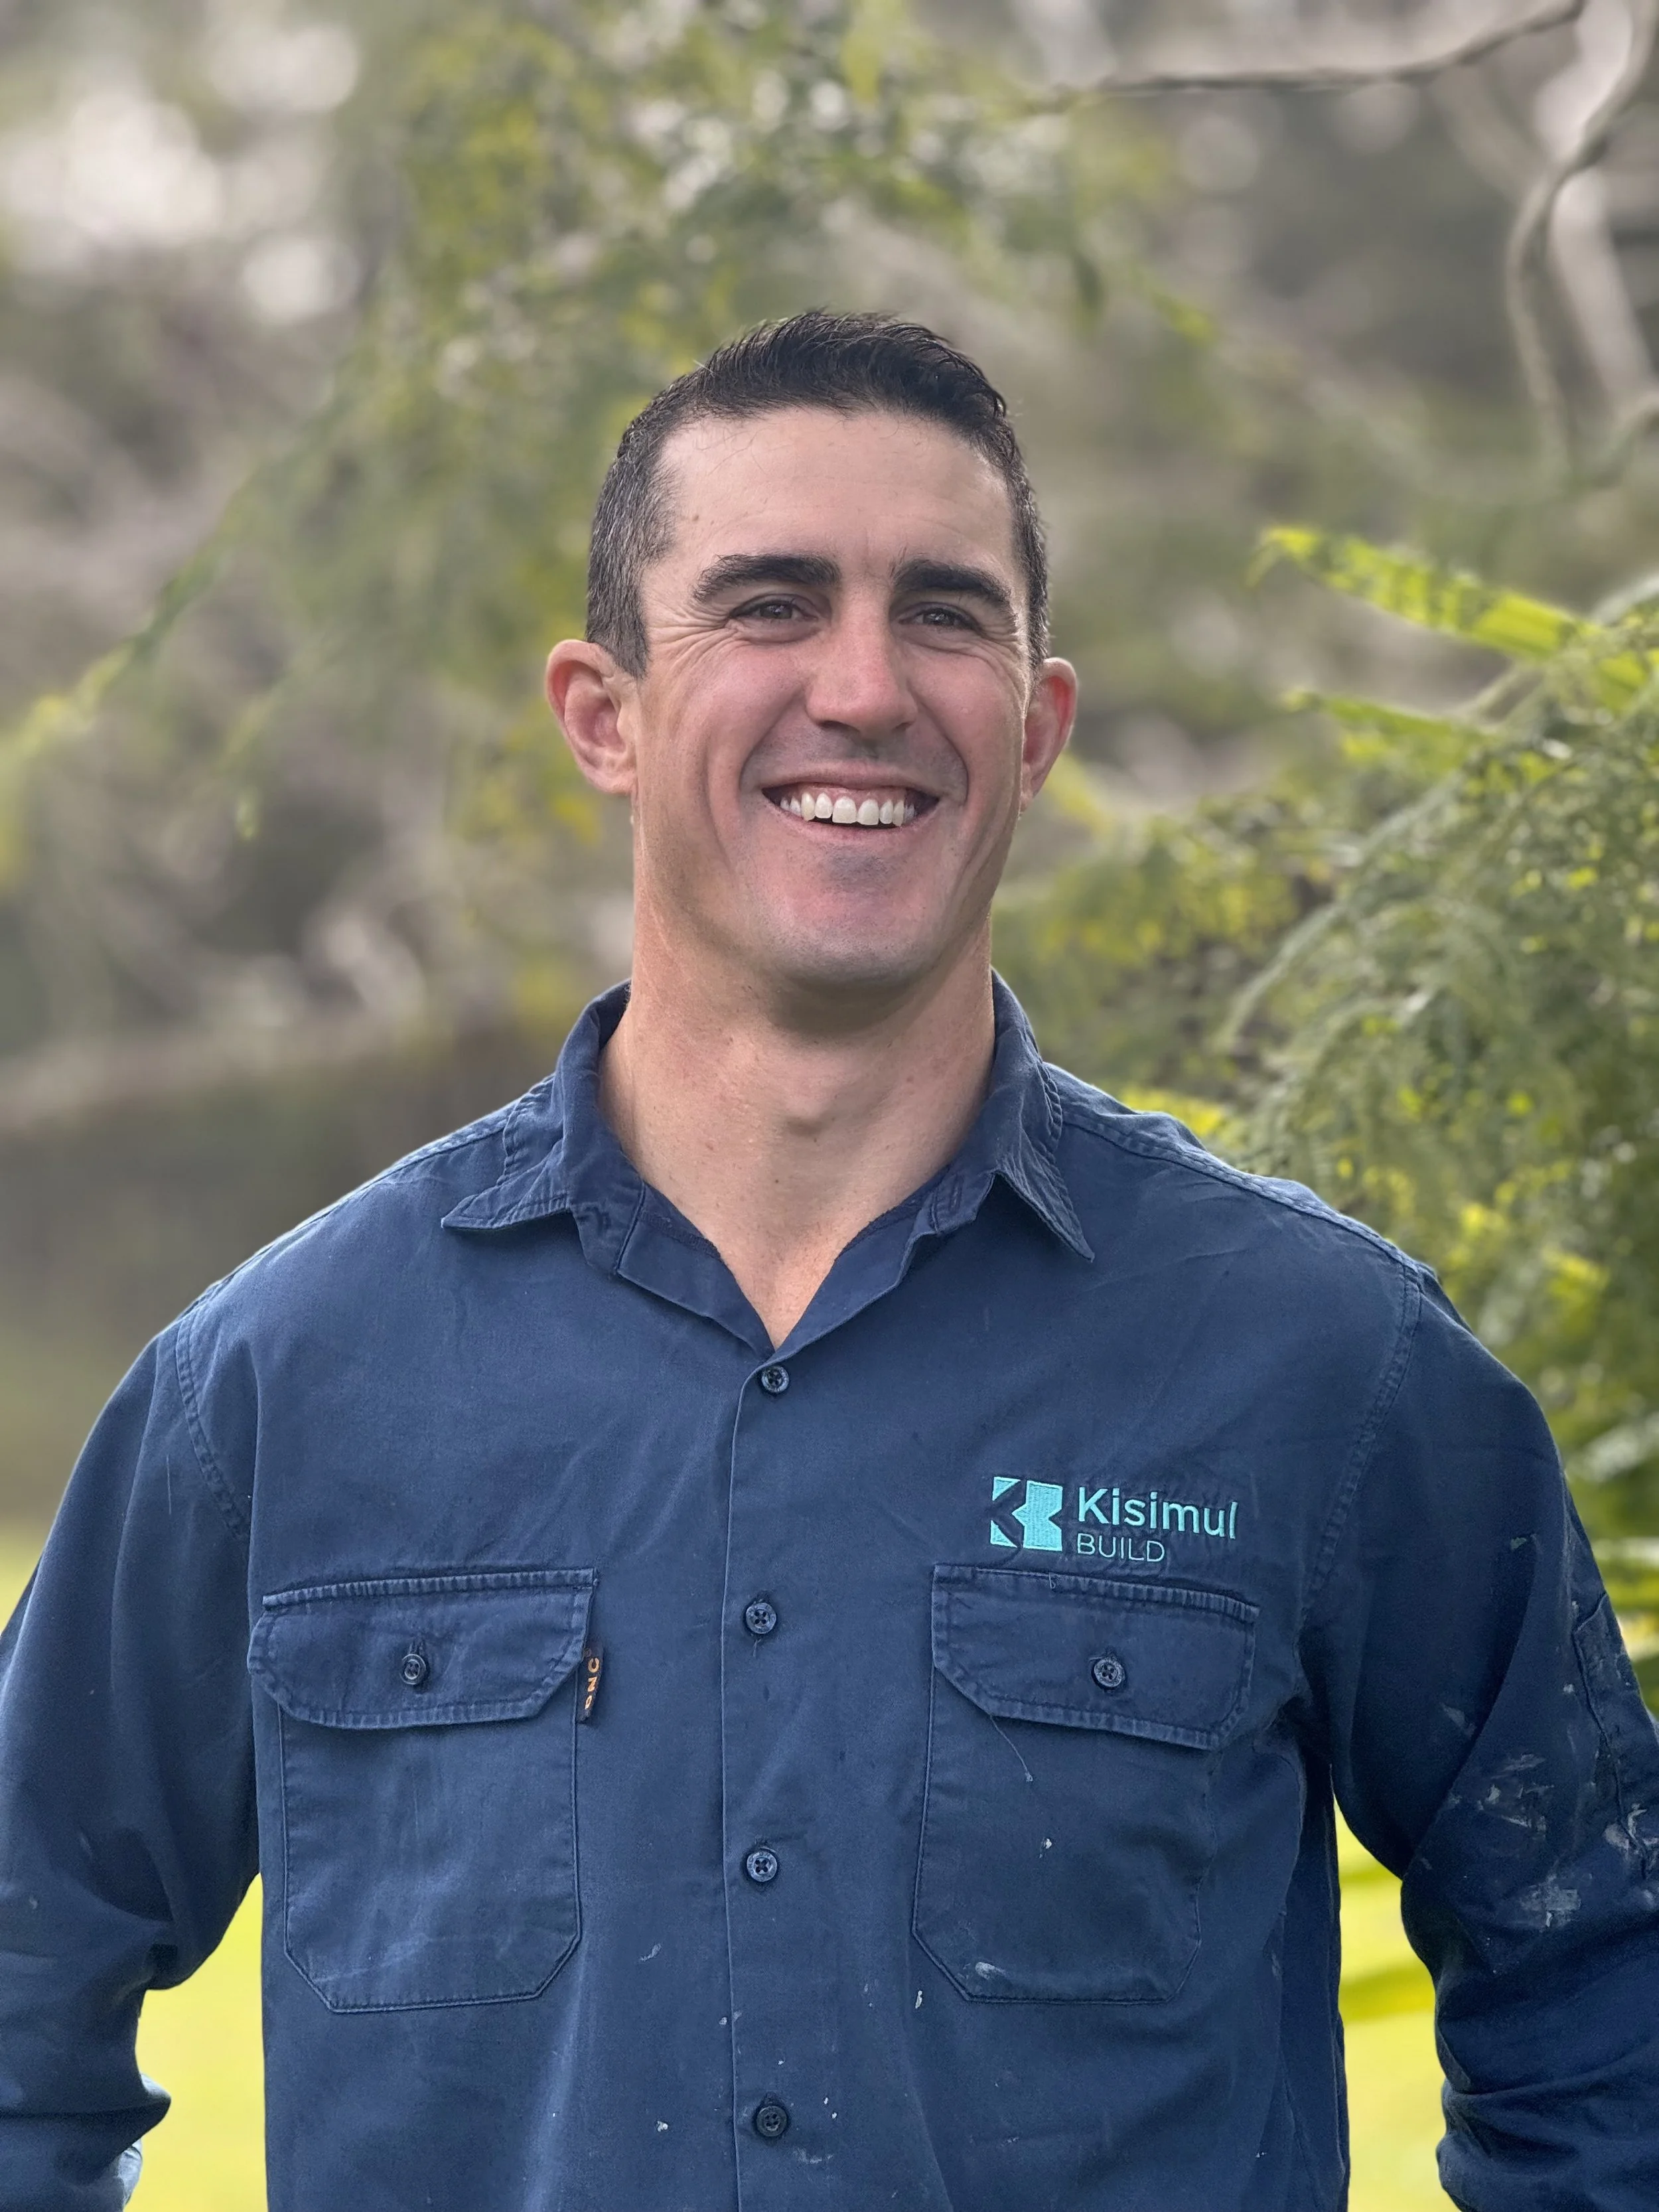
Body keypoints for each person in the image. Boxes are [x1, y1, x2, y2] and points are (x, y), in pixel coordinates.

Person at [0, 310, 1654, 2212]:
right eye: (770, 605)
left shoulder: (1317, 1364)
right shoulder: (287, 1383)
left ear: (1035, 728)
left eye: (944, 615)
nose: (864, 688)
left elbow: (1605, 1993)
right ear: (603, 714)